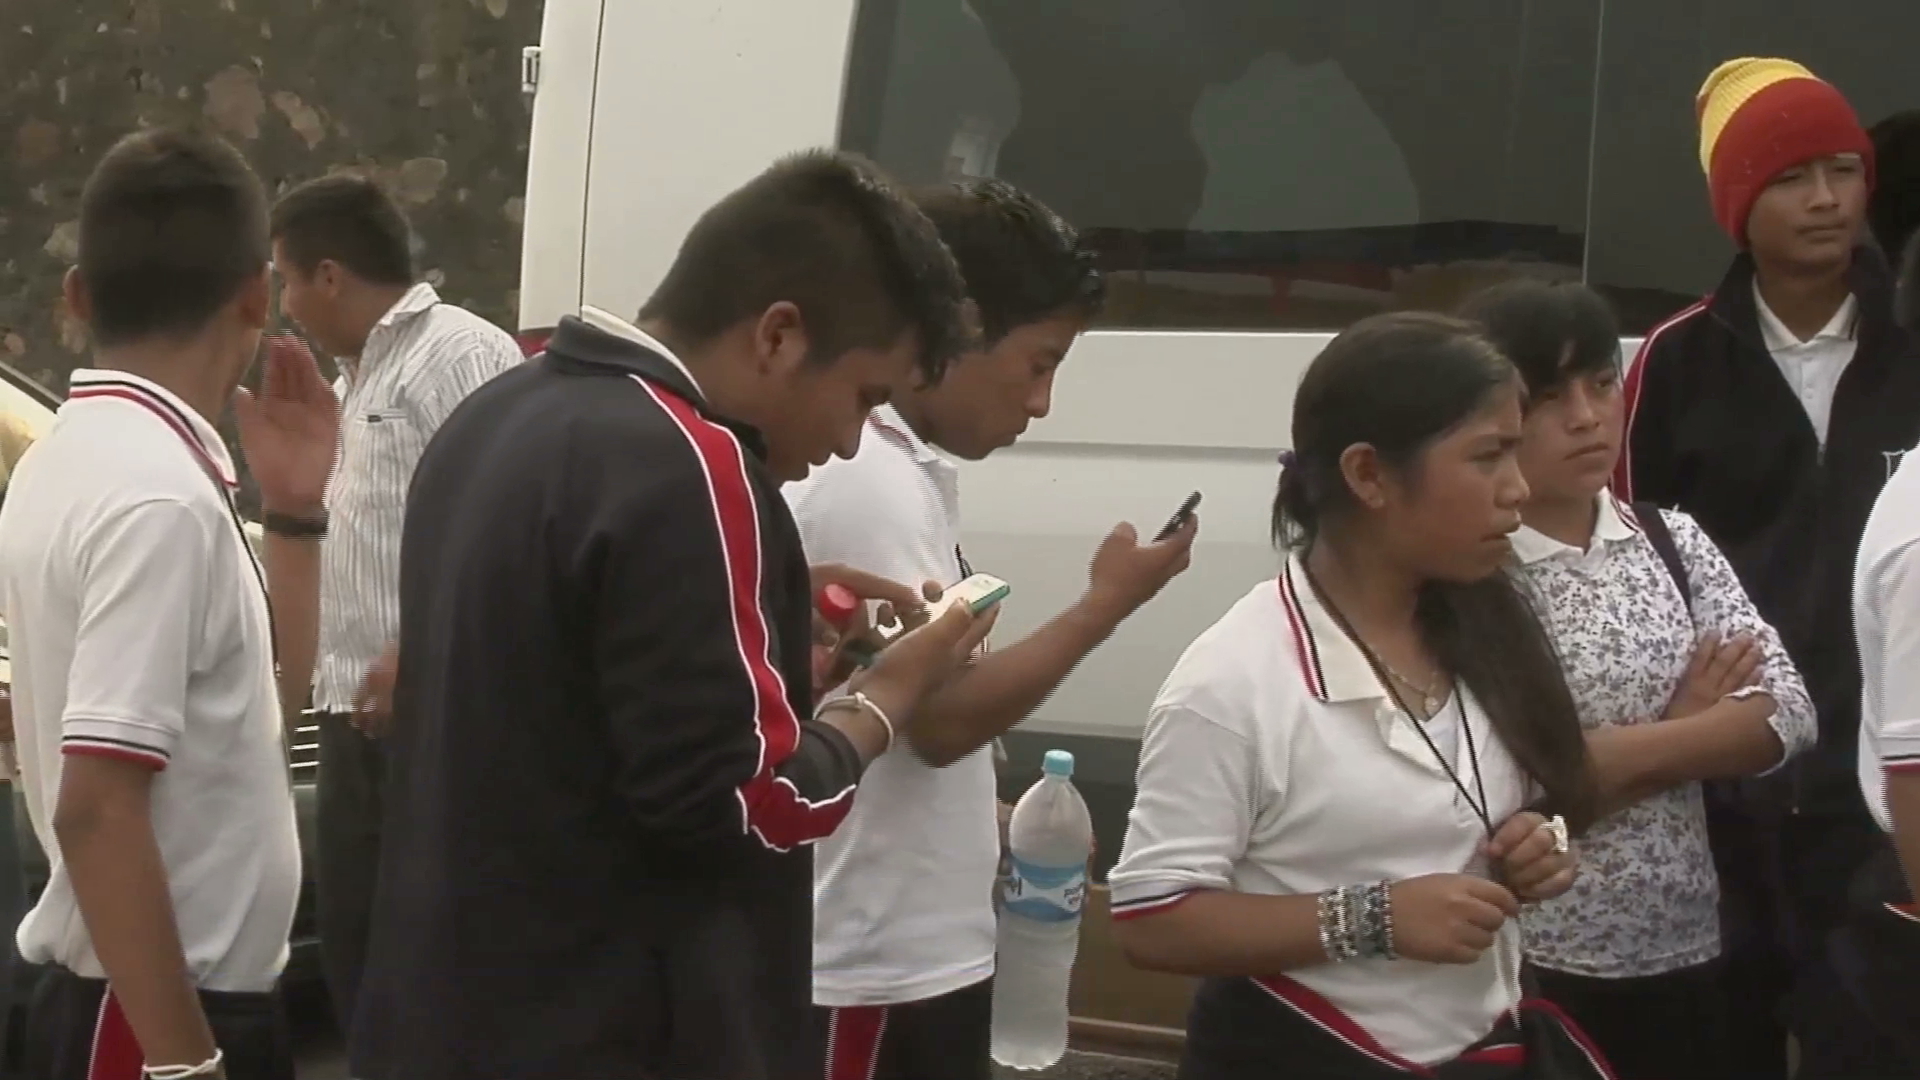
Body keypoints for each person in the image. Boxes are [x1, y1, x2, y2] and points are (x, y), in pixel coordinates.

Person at [348, 149, 1001, 1080]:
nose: (851, 440)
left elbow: (560, 685)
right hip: (606, 1029)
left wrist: (765, 612)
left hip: (448, 1010)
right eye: (864, 397)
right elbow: (750, 805)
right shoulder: (695, 460)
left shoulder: (496, 415)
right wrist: (885, 697)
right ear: (779, 335)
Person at [1108, 312, 1600, 1079]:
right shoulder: (1231, 684)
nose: (1519, 488)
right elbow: (1151, 919)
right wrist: (1374, 918)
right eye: (1488, 456)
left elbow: (1540, 800)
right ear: (1369, 475)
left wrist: (1541, 845)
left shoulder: (1486, 627)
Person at [783, 178, 1194, 1080]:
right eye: (1038, 364)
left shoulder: (901, 467)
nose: (1041, 402)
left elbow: (897, 715)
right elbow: (935, 721)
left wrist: (991, 817)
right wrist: (1106, 605)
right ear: (957, 330)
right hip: (868, 959)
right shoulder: (868, 479)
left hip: (909, 951)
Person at [0, 127, 338, 1080]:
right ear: (257, 296)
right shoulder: (158, 497)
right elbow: (97, 810)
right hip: (156, 1012)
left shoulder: (75, 460)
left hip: (159, 1000)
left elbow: (259, 714)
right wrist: (186, 1063)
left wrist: (295, 517)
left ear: (77, 297)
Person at [1615, 57, 1920, 1080]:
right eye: (1791, 177)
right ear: (1737, 204)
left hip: (1884, 789)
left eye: (1844, 170)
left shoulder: (1912, 340)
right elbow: (1632, 558)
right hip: (1732, 791)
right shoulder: (1676, 361)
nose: (1827, 199)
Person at [1458, 280, 1816, 1080]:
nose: (1587, 417)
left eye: (1601, 384)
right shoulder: (1475, 574)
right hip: (1536, 964)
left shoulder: (1668, 537)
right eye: (1549, 398)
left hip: (1690, 946)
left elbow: (1788, 712)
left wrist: (1619, 752)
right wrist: (1693, 730)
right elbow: (1502, 798)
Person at [268, 173, 523, 1033]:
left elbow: (510, 524)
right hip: (351, 719)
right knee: (362, 958)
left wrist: (422, 650)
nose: (286, 306)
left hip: (439, 715)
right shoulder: (350, 387)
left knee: (444, 970)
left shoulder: (462, 355)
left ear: (329, 275)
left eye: (287, 280)